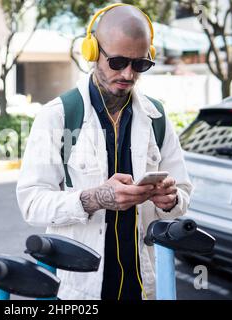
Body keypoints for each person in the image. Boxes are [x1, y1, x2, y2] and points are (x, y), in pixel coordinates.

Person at [16, 3, 193, 300]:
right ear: (93, 51)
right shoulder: (59, 116)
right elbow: (32, 203)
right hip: (82, 290)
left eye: (139, 65)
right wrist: (94, 198)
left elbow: (183, 193)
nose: (128, 74)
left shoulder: (157, 117)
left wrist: (170, 199)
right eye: (118, 62)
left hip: (144, 286)